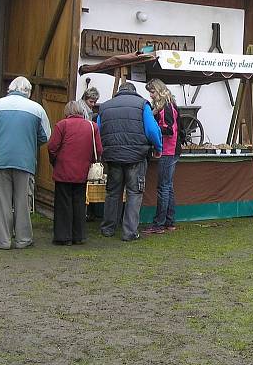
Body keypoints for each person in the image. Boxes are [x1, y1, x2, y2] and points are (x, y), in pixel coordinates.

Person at [0, 76, 51, 250]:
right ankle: (23, 239)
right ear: (28, 92)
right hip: (25, 160)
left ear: (9, 89)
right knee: (22, 201)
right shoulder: (37, 109)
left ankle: (4, 241)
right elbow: (45, 136)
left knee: (1, 201)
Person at [98, 82, 162, 242]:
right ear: (134, 92)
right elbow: (152, 130)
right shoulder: (142, 105)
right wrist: (158, 147)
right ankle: (129, 232)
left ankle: (108, 228)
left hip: (112, 157)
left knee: (113, 193)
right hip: (136, 157)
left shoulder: (105, 107)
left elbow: (98, 130)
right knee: (134, 193)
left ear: (119, 92)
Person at [47, 100, 103, 246]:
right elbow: (98, 149)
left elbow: (52, 147)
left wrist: (54, 161)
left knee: (63, 204)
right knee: (79, 203)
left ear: (67, 112)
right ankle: (78, 236)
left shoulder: (61, 125)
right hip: (82, 170)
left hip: (63, 170)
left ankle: (63, 237)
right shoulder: (92, 126)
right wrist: (89, 161)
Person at [144, 78, 181, 234]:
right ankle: (169, 222)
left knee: (163, 188)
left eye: (152, 92)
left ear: (158, 90)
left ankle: (158, 224)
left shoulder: (165, 107)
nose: (151, 96)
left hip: (168, 150)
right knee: (168, 187)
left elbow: (169, 130)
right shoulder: (169, 104)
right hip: (172, 150)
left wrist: (153, 130)